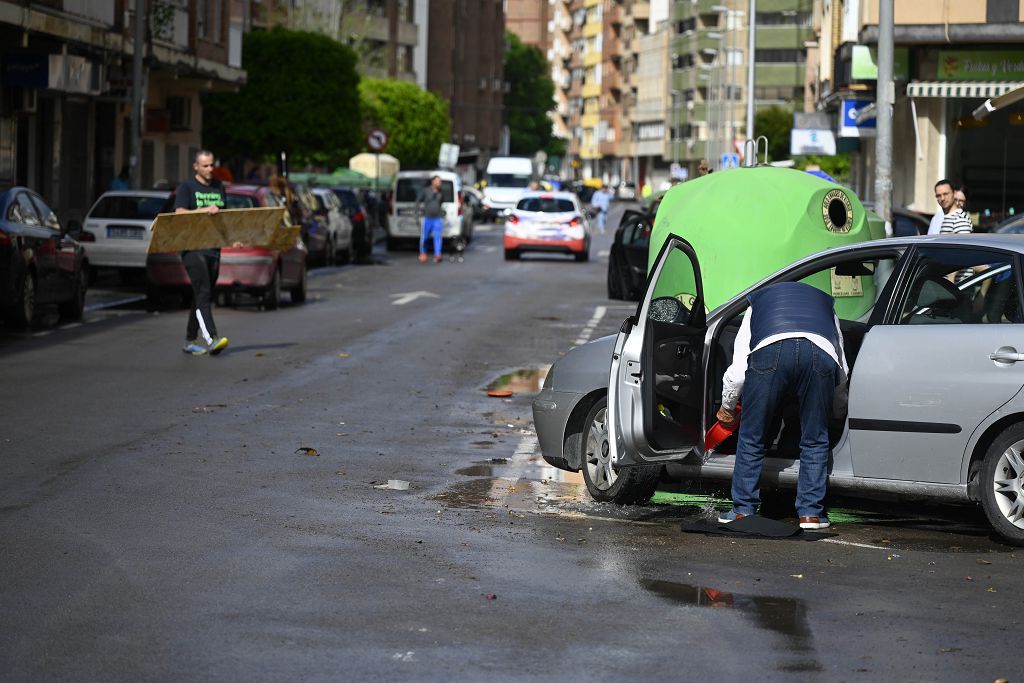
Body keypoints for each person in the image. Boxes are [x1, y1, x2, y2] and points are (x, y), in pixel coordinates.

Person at [715, 281, 849, 530]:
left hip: (770, 350)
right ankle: (810, 514)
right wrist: (838, 411)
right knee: (815, 439)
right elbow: (840, 364)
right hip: (819, 355)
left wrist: (728, 407)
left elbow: (738, 372)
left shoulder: (757, 303)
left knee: (752, 436)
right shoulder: (826, 305)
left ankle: (743, 510)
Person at [174, 149, 230, 356]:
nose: (209, 169)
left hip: (214, 249)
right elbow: (179, 213)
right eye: (205, 165)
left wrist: (235, 238)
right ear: (195, 167)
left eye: (211, 165)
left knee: (201, 294)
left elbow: (225, 218)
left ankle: (189, 340)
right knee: (204, 292)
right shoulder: (187, 187)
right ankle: (212, 339)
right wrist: (203, 211)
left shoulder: (218, 187)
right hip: (193, 248)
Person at [416, 175, 445, 263]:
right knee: (425, 237)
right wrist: (417, 212)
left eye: (440, 181)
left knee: (437, 237)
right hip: (427, 217)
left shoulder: (441, 192)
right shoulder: (426, 191)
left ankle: (437, 254)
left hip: (437, 218)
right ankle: (423, 253)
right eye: (437, 181)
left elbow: (441, 203)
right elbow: (418, 201)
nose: (439, 183)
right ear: (433, 182)